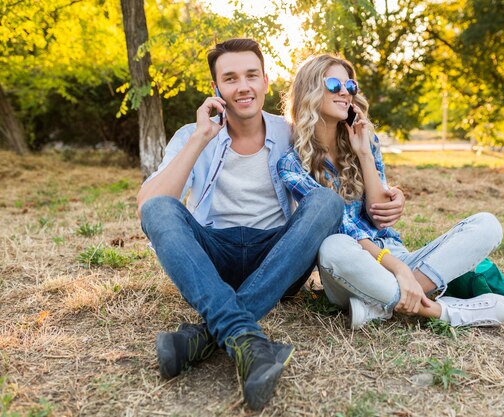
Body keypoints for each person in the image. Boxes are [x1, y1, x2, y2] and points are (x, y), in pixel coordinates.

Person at [137, 40, 405, 410]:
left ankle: (207, 334)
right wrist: (201, 139)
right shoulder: (191, 135)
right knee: (159, 210)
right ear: (216, 90)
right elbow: (148, 206)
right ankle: (244, 337)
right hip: (210, 260)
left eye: (251, 75)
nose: (242, 86)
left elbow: (345, 175)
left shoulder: (294, 132)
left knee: (326, 201)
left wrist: (392, 193)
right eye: (230, 79)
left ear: (265, 81)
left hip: (278, 259)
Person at [278, 54, 504, 331]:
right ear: (309, 91)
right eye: (334, 84)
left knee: (487, 224)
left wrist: (364, 152)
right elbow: (341, 232)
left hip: (394, 253)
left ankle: (384, 305)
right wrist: (399, 270)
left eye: (350, 86)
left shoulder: (364, 141)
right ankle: (430, 306)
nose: (346, 92)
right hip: (351, 268)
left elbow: (380, 219)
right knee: (332, 247)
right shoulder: (292, 163)